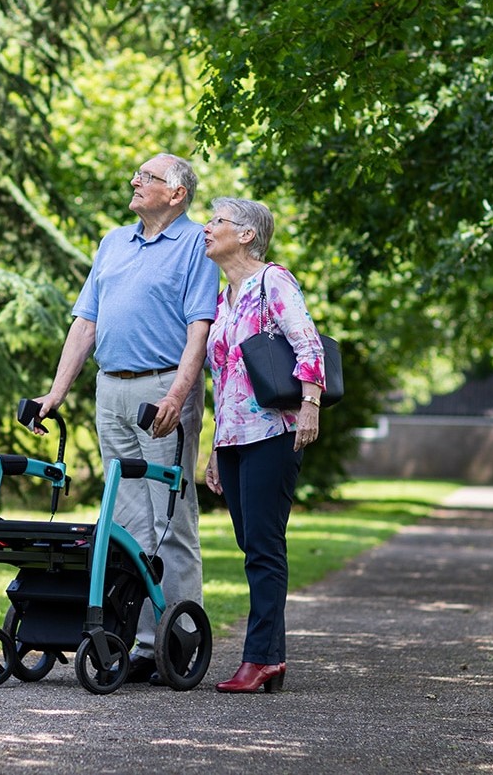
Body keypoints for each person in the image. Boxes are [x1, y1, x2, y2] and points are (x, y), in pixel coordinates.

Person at [30, 153, 217, 684]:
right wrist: (56, 392)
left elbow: (199, 330)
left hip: (162, 389)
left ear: (177, 194)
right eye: (137, 174)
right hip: (111, 388)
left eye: (149, 177)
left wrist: (179, 397)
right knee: (127, 523)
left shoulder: (196, 245)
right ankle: (139, 643)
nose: (135, 181)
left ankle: (178, 643)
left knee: (171, 522)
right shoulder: (113, 242)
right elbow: (85, 323)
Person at [200, 197, 324, 694]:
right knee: (252, 546)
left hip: (274, 433)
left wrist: (310, 406)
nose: (207, 229)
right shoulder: (221, 299)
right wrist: (214, 447)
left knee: (264, 548)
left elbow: (307, 342)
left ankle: (260, 659)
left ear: (247, 234)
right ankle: (270, 656)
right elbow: (222, 380)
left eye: (217, 222)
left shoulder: (274, 281)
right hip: (233, 439)